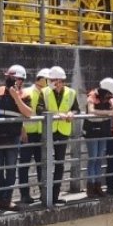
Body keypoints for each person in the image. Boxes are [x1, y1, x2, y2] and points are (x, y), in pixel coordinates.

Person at [0, 64, 34, 212]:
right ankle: (1, 199)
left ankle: (7, 200)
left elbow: (28, 113)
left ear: (21, 81)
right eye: (9, 77)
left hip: (12, 137)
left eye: (14, 78)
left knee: (11, 169)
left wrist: (16, 97)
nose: (10, 80)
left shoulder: (24, 95)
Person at [40, 66, 78, 204]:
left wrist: (71, 114)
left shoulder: (71, 93)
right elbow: (40, 110)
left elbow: (76, 109)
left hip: (63, 132)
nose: (51, 82)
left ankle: (55, 196)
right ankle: (45, 195)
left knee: (59, 164)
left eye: (53, 80)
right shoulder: (44, 92)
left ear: (59, 81)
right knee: (46, 163)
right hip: (48, 132)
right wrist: (57, 115)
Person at [16, 68, 50, 206]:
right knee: (24, 165)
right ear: (41, 79)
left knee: (42, 164)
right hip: (28, 134)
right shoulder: (27, 92)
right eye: (48, 80)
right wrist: (22, 129)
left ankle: (44, 192)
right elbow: (19, 112)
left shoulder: (47, 94)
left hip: (42, 133)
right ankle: (24, 194)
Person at [83, 79, 113, 197]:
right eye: (109, 93)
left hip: (103, 131)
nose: (110, 96)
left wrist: (107, 113)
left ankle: (97, 186)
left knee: (99, 158)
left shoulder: (109, 99)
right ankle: (90, 186)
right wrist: (107, 113)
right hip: (92, 131)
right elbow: (91, 111)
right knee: (93, 158)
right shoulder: (92, 96)